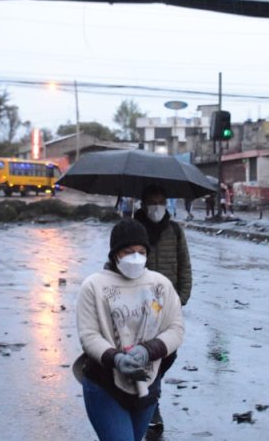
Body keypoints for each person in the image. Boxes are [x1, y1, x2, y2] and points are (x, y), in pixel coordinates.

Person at [76, 220, 184, 441]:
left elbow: (175, 328)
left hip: (147, 384)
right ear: (115, 254)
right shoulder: (94, 286)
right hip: (105, 384)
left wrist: (148, 350)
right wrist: (115, 358)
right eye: (128, 252)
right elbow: (89, 335)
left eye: (141, 252)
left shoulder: (160, 285)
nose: (135, 257)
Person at [132, 185, 192, 435]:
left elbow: (184, 265)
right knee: (146, 354)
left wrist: (181, 298)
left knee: (168, 354)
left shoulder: (174, 230)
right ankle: (150, 402)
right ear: (143, 204)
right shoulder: (133, 229)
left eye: (161, 202)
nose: (157, 207)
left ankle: (149, 392)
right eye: (152, 202)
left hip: (168, 307)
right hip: (138, 308)